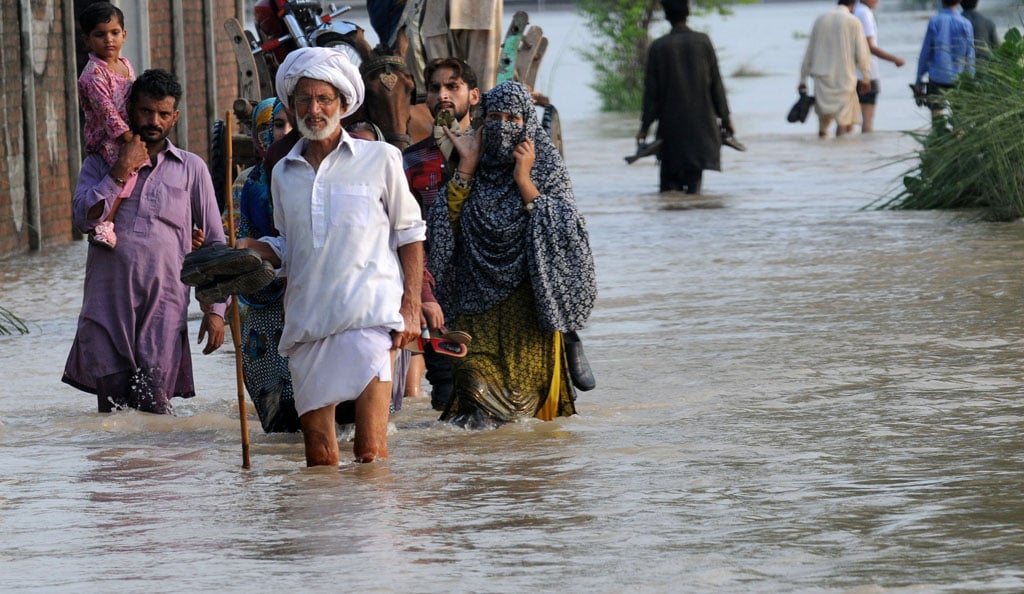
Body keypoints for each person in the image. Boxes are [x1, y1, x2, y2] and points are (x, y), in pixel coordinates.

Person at [240, 47, 426, 466]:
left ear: (343, 104)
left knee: (371, 454)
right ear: (292, 105)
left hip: (370, 321)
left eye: (325, 99)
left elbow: (410, 233)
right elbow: (288, 249)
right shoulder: (283, 172)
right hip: (308, 326)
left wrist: (411, 306)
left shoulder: (381, 159)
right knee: (320, 459)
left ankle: (377, 533)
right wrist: (248, 250)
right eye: (304, 99)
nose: (314, 109)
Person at [426, 80, 596, 428]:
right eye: (494, 116)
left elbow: (568, 234)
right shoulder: (470, 169)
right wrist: (468, 166)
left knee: (523, 416)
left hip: (529, 315)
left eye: (514, 119)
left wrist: (524, 180)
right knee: (474, 389)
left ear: (529, 124)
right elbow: (443, 229)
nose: (503, 126)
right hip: (475, 310)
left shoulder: (546, 167)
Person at [63, 69, 228, 414]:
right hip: (108, 307)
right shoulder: (99, 163)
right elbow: (82, 219)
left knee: (153, 407)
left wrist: (215, 310)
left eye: (163, 114)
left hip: (163, 307)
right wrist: (121, 170)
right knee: (114, 415)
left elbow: (214, 242)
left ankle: (158, 469)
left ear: (174, 117)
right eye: (146, 112)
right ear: (130, 110)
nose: (154, 121)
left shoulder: (191, 168)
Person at [404, 57, 482, 411]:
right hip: (437, 302)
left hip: (487, 297)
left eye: (453, 86)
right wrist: (421, 295)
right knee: (448, 401)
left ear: (474, 96)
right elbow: (405, 236)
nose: (443, 95)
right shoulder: (410, 162)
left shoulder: (493, 153)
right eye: (435, 88)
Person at [225, 97, 300, 433]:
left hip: (302, 300)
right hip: (258, 305)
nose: (283, 133)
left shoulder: (308, 176)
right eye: (275, 126)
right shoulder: (245, 185)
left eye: (289, 124)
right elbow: (234, 243)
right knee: (276, 419)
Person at [637, 0, 734, 194]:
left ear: (666, 16)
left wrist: (644, 129)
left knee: (668, 193)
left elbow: (651, 97)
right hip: (701, 132)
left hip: (671, 134)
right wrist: (726, 119)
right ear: (687, 14)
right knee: (693, 193)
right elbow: (716, 85)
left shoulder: (658, 47)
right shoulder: (703, 42)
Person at [77, 1, 137, 249]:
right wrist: (129, 139)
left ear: (124, 34)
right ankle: (104, 224)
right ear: (87, 40)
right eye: (100, 35)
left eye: (114, 33)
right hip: (106, 138)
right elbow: (108, 114)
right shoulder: (93, 75)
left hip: (128, 131)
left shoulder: (125, 64)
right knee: (126, 170)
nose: (108, 40)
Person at [799, 0, 873, 138]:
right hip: (844, 78)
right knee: (843, 120)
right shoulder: (853, 21)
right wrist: (866, 77)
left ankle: (822, 154)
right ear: (853, 5)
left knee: (823, 123)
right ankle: (840, 154)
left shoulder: (820, 19)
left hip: (821, 79)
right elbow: (862, 53)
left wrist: (802, 79)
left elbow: (809, 51)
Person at [915, 0, 974, 118]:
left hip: (937, 77)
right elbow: (970, 55)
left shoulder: (935, 21)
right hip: (959, 77)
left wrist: (919, 78)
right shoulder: (966, 23)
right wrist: (970, 79)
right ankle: (958, 134)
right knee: (959, 117)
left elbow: (925, 52)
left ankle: (938, 133)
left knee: (937, 116)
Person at [852, 0, 905, 133]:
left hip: (852, 72)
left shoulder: (855, 10)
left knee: (848, 120)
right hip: (867, 73)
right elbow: (869, 46)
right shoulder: (864, 13)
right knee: (867, 121)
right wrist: (894, 59)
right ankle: (867, 150)